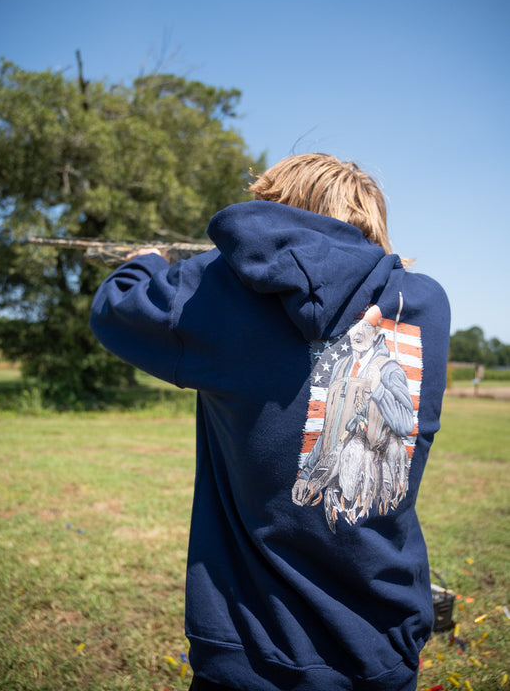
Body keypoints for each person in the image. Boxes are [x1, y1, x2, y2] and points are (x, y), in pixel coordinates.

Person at [90, 153, 450, 691]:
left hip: (261, 656)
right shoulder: (425, 303)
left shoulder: (224, 291)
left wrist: (146, 262)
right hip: (387, 641)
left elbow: (118, 309)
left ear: (277, 212)